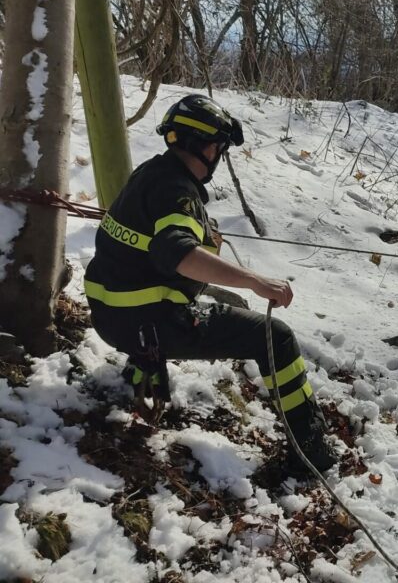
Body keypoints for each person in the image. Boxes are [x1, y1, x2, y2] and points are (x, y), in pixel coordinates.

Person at [84, 94, 337, 474]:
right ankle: (311, 452)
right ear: (204, 145)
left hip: (112, 315)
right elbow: (177, 254)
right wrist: (255, 281)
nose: (218, 157)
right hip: (147, 323)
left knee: (220, 305)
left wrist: (205, 240)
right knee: (277, 337)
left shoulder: (151, 174)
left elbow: (152, 247)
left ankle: (142, 371)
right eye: (219, 148)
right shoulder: (177, 191)